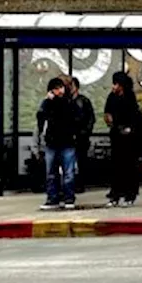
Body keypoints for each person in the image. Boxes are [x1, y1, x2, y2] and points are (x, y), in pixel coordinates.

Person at [103, 72, 142, 207]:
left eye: (116, 84)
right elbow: (107, 113)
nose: (114, 87)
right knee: (116, 167)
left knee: (129, 166)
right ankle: (115, 195)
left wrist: (129, 129)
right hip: (116, 135)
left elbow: (134, 116)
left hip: (129, 137)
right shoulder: (112, 97)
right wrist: (110, 121)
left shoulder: (130, 97)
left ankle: (129, 195)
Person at [37, 78, 78, 211]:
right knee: (51, 173)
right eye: (56, 88)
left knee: (68, 173)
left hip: (67, 141)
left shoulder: (69, 102)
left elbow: (72, 116)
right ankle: (52, 198)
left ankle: (69, 198)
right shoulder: (47, 103)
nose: (59, 91)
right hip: (52, 142)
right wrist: (48, 101)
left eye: (61, 87)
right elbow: (41, 116)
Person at [69, 78, 95, 193]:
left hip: (81, 136)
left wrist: (86, 132)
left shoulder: (83, 101)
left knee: (81, 160)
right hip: (70, 135)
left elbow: (91, 118)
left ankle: (80, 184)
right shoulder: (67, 101)